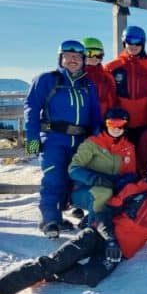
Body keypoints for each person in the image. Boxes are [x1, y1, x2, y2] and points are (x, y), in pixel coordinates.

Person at [0, 161, 147, 294]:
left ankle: (50, 273)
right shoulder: (134, 190)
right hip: (96, 236)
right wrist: (110, 239)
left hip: (120, 252)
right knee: (56, 262)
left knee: (91, 277)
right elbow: (104, 213)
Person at [24, 40, 102, 238]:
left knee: (78, 179)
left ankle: (83, 216)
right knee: (54, 178)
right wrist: (32, 142)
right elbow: (31, 109)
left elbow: (95, 114)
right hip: (54, 139)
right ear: (61, 58)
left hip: (81, 141)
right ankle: (50, 220)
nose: (73, 60)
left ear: (84, 60)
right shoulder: (47, 80)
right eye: (68, 56)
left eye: (77, 57)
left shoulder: (87, 84)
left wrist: (97, 141)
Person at [68, 108, 137, 227]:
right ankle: (52, 219)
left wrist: (123, 182)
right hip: (86, 188)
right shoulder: (92, 143)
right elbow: (73, 168)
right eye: (111, 124)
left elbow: (130, 173)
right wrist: (32, 149)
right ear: (105, 124)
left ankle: (107, 223)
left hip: (111, 189)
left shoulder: (128, 147)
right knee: (51, 181)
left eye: (120, 124)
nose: (116, 128)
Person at [104, 25, 147, 143]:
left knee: (143, 157)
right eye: (130, 41)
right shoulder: (111, 68)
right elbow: (107, 97)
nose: (133, 46)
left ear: (143, 44)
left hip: (145, 124)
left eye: (137, 42)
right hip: (119, 124)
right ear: (124, 42)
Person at [81, 37, 117, 118]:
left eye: (98, 54)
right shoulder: (76, 76)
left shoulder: (107, 77)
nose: (94, 57)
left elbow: (112, 101)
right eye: (90, 53)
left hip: (102, 121)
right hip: (80, 122)